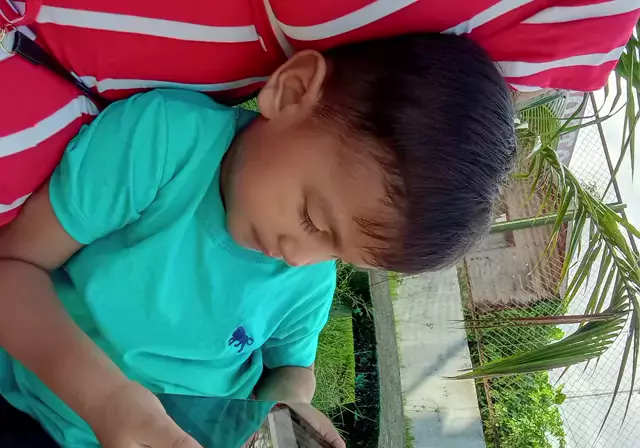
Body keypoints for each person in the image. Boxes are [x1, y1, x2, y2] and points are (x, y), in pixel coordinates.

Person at [0, 33, 514, 448]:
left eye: (339, 253)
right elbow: (12, 269)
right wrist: (105, 400)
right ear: (291, 92)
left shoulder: (309, 277)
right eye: (312, 218)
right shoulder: (164, 145)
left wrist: (284, 409)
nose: (300, 257)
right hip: (35, 409)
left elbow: (292, 366)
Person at [1, 0, 639, 225]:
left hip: (76, 98)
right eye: (311, 222)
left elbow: (410, 156)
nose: (296, 256)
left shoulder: (589, 20)